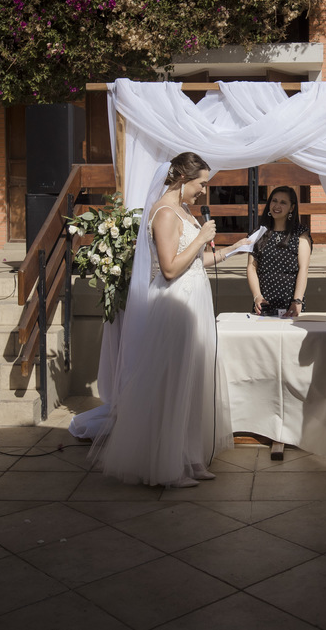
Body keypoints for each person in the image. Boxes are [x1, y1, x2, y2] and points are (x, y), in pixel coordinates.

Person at [93, 152, 246, 488]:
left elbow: (193, 261)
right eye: (201, 184)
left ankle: (191, 457)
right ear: (181, 179)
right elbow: (170, 268)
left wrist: (229, 250)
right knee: (172, 384)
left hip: (195, 301)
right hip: (175, 306)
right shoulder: (163, 212)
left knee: (192, 382)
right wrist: (202, 237)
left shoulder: (184, 210)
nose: (204, 191)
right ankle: (168, 464)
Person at [247, 186, 312, 317]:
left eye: (283, 202)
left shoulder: (300, 233)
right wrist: (257, 297)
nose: (277, 205)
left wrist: (297, 301)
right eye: (274, 200)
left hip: (291, 303)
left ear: (292, 208)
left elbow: (303, 268)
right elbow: (251, 267)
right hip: (263, 303)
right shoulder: (258, 233)